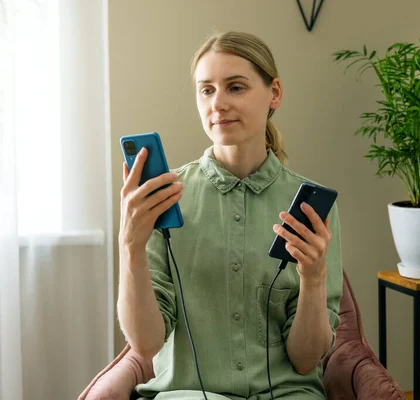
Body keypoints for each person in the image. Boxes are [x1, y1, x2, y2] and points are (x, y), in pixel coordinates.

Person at [117, 31, 343, 400]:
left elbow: (305, 361)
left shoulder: (311, 208)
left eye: (235, 87)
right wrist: (131, 245)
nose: (217, 104)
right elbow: (145, 344)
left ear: (275, 94)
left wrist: (313, 278)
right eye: (206, 90)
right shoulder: (164, 199)